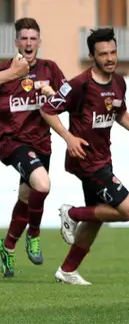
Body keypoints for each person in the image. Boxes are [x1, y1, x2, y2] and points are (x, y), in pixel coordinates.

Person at [40, 28, 129, 285]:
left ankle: (67, 270)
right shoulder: (79, 84)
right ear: (92, 56)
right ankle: (73, 213)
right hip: (86, 160)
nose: (110, 58)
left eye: (113, 52)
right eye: (103, 54)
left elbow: (120, 115)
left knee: (98, 217)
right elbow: (47, 109)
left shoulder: (119, 82)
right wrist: (68, 138)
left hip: (103, 158)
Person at [0, 17, 66, 278]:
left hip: (41, 143)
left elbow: (68, 100)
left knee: (27, 198)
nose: (28, 43)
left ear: (39, 42)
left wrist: (52, 93)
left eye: (33, 38)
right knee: (43, 184)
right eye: (23, 38)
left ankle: (7, 247)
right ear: (16, 42)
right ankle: (34, 235)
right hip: (11, 142)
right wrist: (11, 75)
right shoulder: (6, 70)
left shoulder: (50, 69)